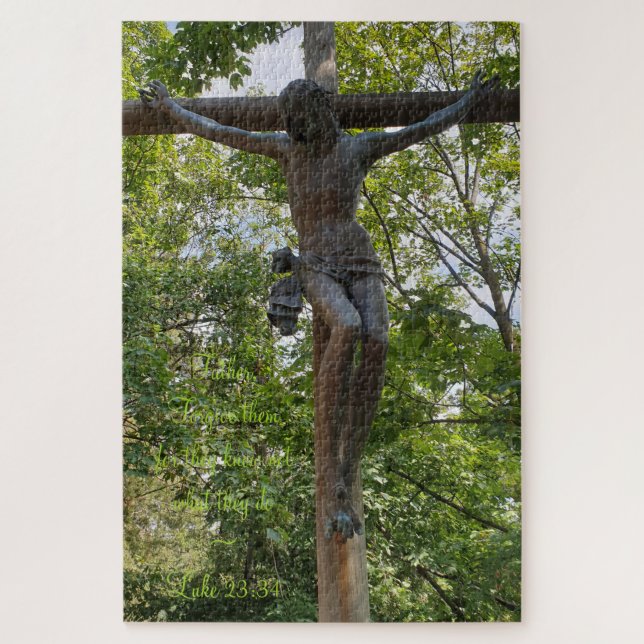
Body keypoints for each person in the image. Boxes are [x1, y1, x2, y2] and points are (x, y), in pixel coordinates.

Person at [140, 72, 498, 540]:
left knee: (378, 340)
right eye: (293, 121)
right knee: (346, 327)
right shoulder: (287, 151)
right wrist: (171, 109)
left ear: (323, 110)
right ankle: (329, 464)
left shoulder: (359, 148)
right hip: (314, 262)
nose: (299, 128)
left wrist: (468, 100)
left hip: (360, 259)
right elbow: (222, 132)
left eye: (305, 117)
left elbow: (422, 128)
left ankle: (348, 465)